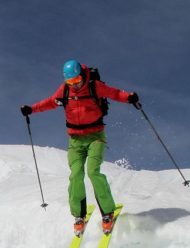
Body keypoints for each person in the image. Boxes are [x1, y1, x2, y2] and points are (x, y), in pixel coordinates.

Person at [21, 59, 139, 236]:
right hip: (75, 140)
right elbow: (50, 102)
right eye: (70, 82)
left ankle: (107, 212)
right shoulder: (65, 90)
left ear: (82, 76)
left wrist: (129, 97)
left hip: (95, 137)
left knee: (93, 172)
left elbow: (114, 93)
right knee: (76, 175)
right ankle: (78, 216)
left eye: (76, 81)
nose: (74, 85)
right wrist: (31, 109)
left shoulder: (94, 86)